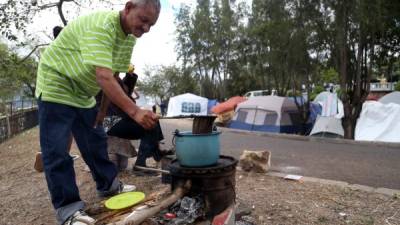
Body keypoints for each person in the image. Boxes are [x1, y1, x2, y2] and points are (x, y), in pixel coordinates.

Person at [34, 1, 161, 224]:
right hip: (57, 82)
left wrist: (101, 113)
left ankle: (109, 185)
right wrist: (135, 112)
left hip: (83, 92)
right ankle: (68, 209)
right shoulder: (103, 26)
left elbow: (110, 76)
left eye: (151, 24)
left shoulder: (128, 38)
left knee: (95, 139)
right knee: (56, 150)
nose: (147, 28)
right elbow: (103, 75)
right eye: (144, 20)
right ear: (129, 7)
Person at [96, 65, 171, 176]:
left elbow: (126, 91)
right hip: (108, 120)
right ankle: (140, 165)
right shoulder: (103, 77)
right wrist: (135, 113)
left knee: (153, 121)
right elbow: (119, 95)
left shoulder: (114, 78)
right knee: (147, 125)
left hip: (116, 118)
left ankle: (156, 152)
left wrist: (130, 76)